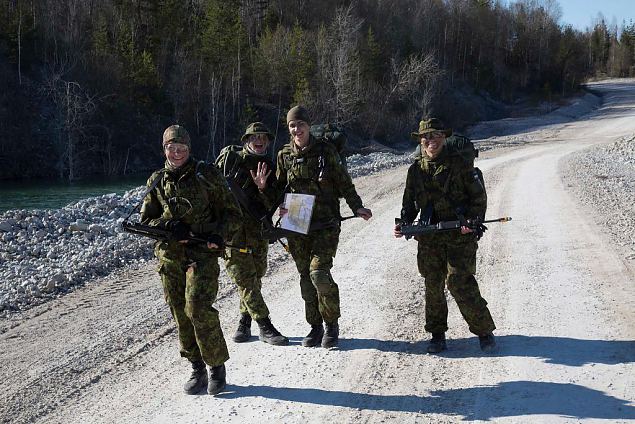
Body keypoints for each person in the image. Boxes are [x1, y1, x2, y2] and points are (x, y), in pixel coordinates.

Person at [140, 124, 242, 395]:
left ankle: (216, 367)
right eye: (171, 148)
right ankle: (196, 368)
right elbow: (145, 221)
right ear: (164, 149)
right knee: (179, 312)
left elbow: (233, 214)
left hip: (203, 254)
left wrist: (219, 235)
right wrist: (168, 225)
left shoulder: (207, 175)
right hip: (170, 259)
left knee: (197, 307)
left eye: (181, 148)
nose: (176, 153)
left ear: (189, 149)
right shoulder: (157, 180)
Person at [263, 105, 372, 348]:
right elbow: (279, 188)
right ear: (288, 128)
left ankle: (331, 325)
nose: (297, 129)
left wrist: (357, 207)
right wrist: (267, 193)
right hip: (296, 222)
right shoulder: (284, 155)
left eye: (300, 124)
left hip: (325, 223)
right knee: (304, 278)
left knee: (318, 273)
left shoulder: (326, 151)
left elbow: (344, 183)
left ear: (308, 126)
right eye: (292, 125)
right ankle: (315, 327)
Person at [393, 118, 496, 353]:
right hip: (429, 238)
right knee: (433, 285)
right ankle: (437, 335)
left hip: (459, 235)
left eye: (436, 135)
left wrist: (472, 221)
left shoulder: (460, 165)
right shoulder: (415, 170)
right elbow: (409, 204)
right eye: (426, 137)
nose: (431, 141)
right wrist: (404, 224)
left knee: (460, 282)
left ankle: (484, 331)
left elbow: (478, 198)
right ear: (420, 141)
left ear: (444, 138)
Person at [215, 122, 288, 346]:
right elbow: (213, 193)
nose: (259, 140)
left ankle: (244, 322)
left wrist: (263, 187)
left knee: (256, 276)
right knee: (245, 279)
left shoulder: (270, 167)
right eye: (254, 137)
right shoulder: (230, 162)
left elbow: (271, 205)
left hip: (258, 233)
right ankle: (265, 326)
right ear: (245, 141)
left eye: (263, 138)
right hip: (233, 235)